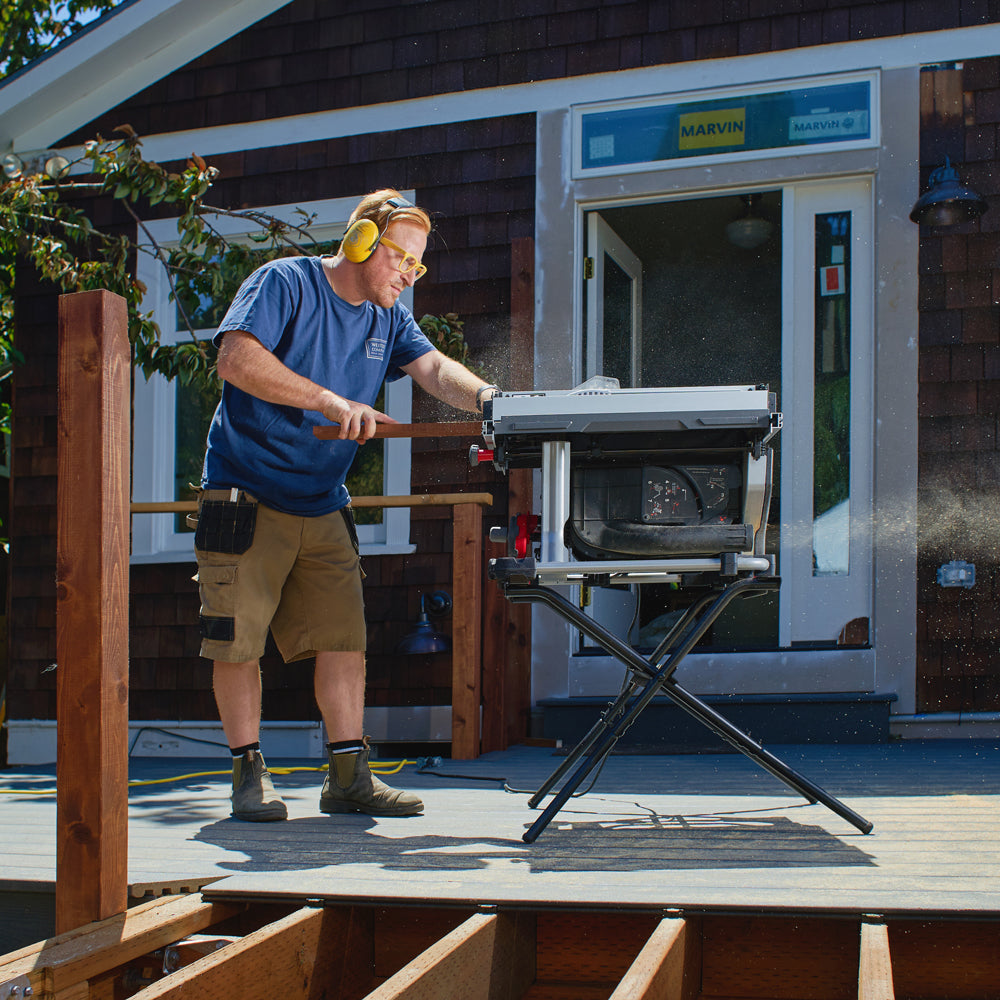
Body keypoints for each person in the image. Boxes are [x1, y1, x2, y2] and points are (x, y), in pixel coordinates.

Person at [193, 189, 500, 822]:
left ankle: (348, 777)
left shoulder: (388, 319)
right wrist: (334, 403)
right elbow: (236, 359)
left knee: (343, 640)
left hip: (321, 500)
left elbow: (437, 369)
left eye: (418, 266)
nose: (409, 276)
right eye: (401, 259)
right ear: (362, 241)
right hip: (245, 489)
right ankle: (249, 775)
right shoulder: (286, 283)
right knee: (237, 642)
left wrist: (494, 402)